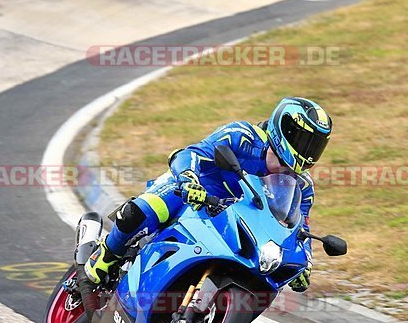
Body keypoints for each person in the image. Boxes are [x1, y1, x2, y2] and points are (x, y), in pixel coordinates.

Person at [76, 96, 332, 300]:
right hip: (192, 194)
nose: (307, 151)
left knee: (267, 278)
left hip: (232, 224)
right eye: (303, 140)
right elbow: (191, 153)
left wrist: (305, 263)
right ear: (282, 128)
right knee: (142, 212)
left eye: (315, 145)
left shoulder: (302, 187)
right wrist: (188, 180)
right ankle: (105, 256)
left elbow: (299, 229)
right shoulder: (243, 135)